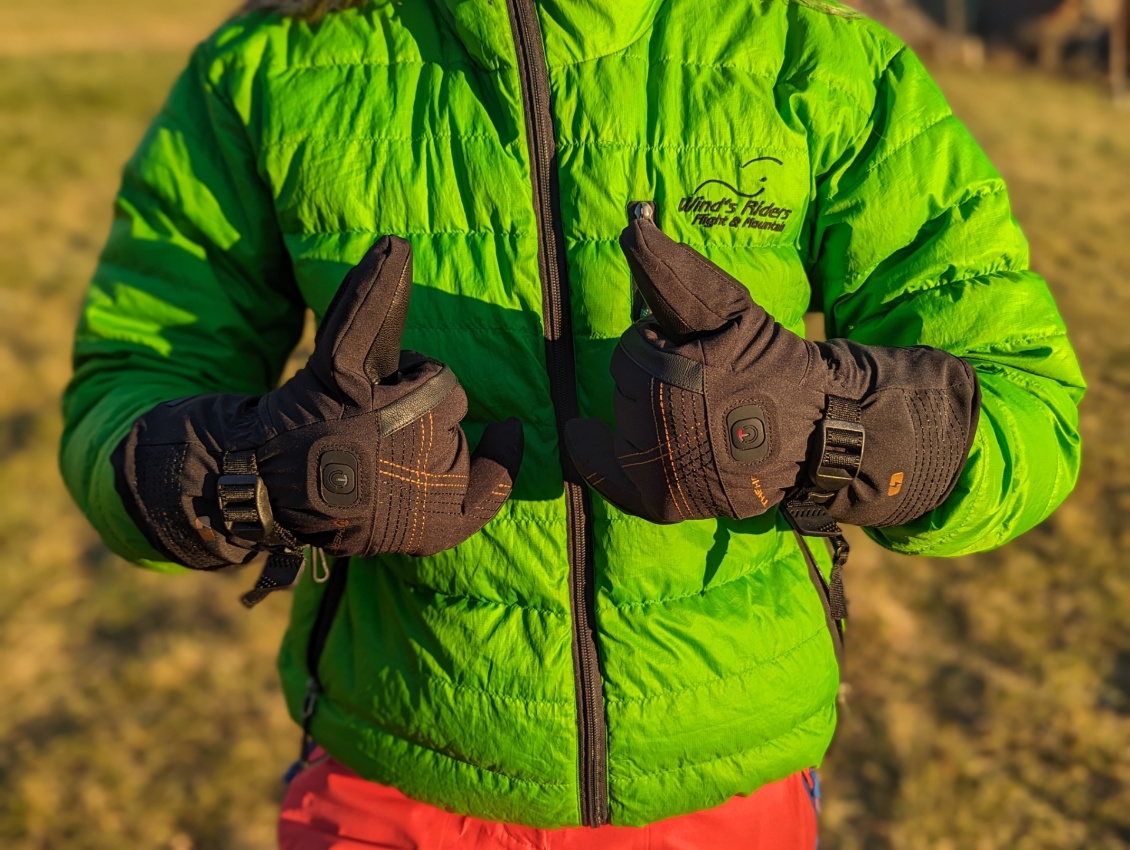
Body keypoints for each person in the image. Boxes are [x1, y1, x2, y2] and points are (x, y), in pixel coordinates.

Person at [60, 0, 1085, 846]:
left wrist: (824, 423)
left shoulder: (818, 59)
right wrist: (258, 470)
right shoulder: (270, 68)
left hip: (724, 792)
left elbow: (1024, 409)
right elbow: (127, 391)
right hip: (393, 783)